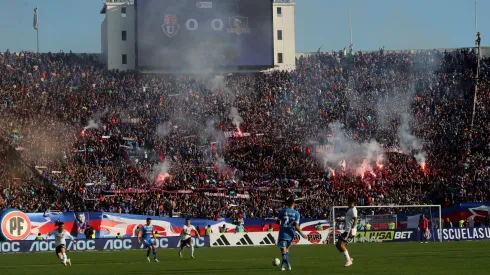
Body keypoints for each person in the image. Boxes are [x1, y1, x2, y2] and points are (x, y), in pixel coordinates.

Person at [277, 197, 307, 271]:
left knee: (283, 252)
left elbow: (277, 221)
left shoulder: (283, 211)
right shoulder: (297, 213)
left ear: (287, 204)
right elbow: (296, 226)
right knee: (286, 250)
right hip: (291, 234)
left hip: (283, 233)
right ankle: (283, 266)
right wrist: (302, 234)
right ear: (294, 204)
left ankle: (288, 263)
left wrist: (281, 224)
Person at [335, 196, 357, 268]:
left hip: (349, 231)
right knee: (338, 245)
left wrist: (352, 230)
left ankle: (348, 261)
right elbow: (349, 220)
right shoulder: (350, 209)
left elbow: (356, 220)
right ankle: (349, 258)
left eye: (348, 201)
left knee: (341, 245)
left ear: (351, 202)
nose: (346, 202)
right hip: (347, 230)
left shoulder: (353, 209)